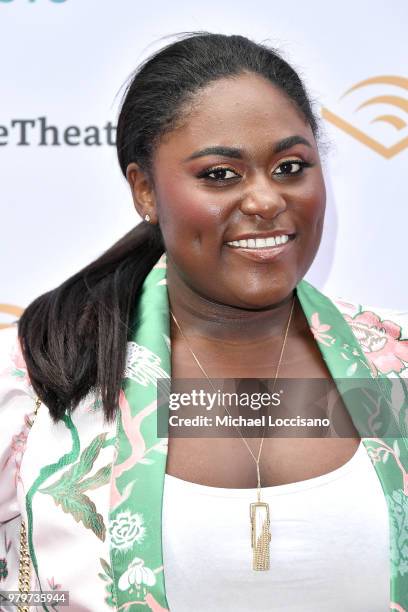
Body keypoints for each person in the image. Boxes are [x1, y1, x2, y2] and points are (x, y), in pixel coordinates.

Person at [0, 32, 407, 612]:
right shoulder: (38, 379)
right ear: (145, 189)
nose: (266, 200)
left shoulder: (395, 364)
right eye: (221, 175)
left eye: (291, 166)